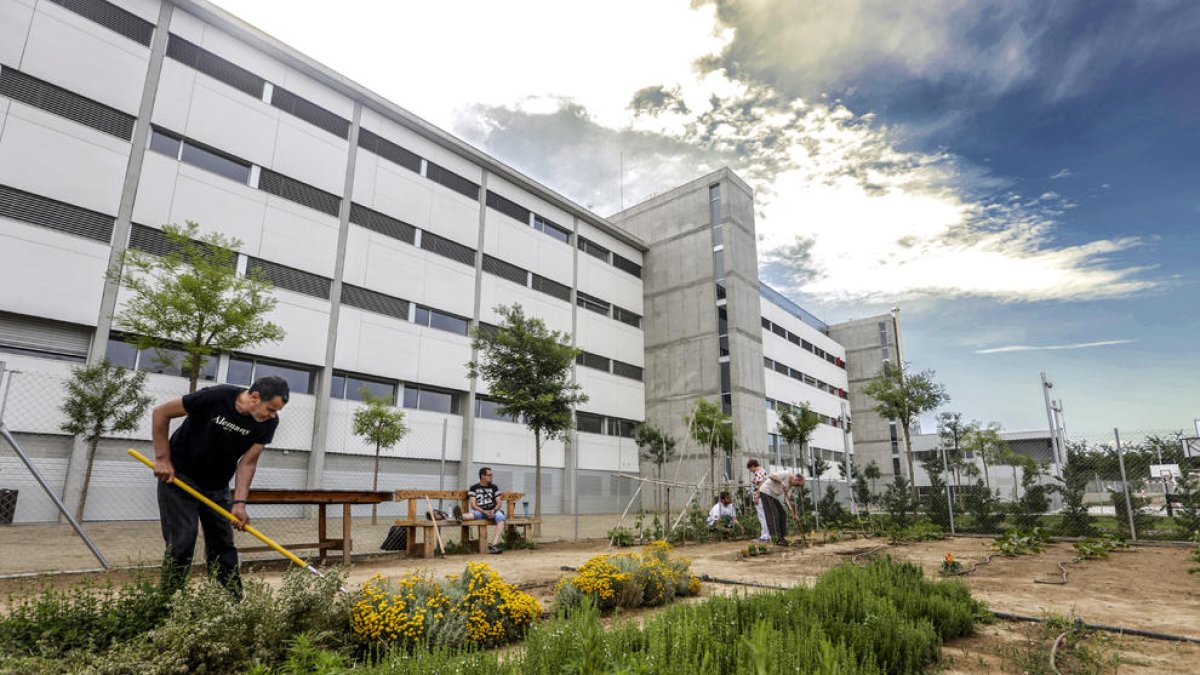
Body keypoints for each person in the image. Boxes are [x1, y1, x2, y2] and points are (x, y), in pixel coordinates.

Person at [151, 376, 289, 597]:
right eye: (270, 409)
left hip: (217, 486)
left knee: (223, 546)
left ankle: (232, 603)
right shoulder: (216, 397)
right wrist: (162, 458)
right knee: (183, 542)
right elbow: (161, 413)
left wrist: (240, 503)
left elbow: (247, 463)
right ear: (255, 397)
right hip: (179, 479)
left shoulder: (269, 423)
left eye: (276, 411)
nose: (273, 415)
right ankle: (168, 603)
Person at [453, 467, 507, 554]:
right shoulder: (474, 488)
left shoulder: (494, 487)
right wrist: (484, 511)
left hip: (494, 511)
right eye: (489, 475)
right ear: (483, 476)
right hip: (481, 511)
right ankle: (459, 517)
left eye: (491, 475)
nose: (491, 476)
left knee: (501, 518)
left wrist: (493, 510)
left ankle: (494, 545)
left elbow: (499, 503)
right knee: (471, 515)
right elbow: (473, 505)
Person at [757, 471, 805, 546]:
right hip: (766, 491)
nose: (796, 486)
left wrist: (794, 514)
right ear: (796, 479)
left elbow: (787, 500)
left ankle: (782, 537)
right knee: (774, 515)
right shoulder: (786, 474)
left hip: (773, 496)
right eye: (798, 485)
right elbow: (771, 475)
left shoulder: (790, 486)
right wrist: (781, 482)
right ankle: (776, 538)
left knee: (782, 513)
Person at [746, 459, 771, 542]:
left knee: (762, 516)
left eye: (750, 469)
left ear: (753, 466)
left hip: (760, 496)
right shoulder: (763, 471)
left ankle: (764, 536)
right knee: (766, 515)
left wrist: (757, 496)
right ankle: (768, 535)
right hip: (765, 495)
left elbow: (759, 483)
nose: (750, 471)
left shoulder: (758, 472)